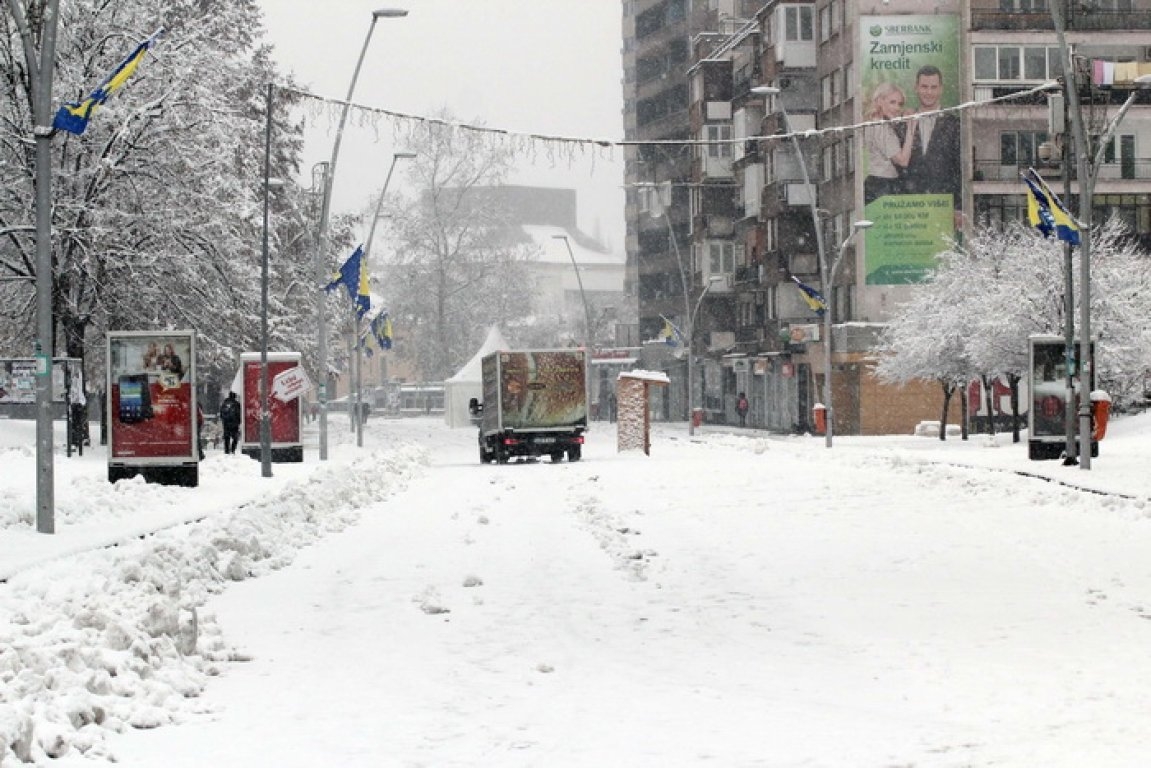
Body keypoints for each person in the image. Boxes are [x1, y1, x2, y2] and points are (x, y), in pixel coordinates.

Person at [903, 65, 961, 201]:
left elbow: (959, 168)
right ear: (916, 87)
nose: (929, 92)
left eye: (933, 87)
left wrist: (958, 207)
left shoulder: (954, 124)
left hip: (943, 204)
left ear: (941, 89)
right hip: (908, 206)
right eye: (924, 87)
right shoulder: (904, 123)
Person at [863, 81, 917, 205]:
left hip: (877, 184)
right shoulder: (880, 127)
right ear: (880, 101)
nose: (897, 108)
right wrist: (911, 128)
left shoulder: (873, 122)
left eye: (900, 104)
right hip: (883, 185)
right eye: (892, 102)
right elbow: (902, 160)